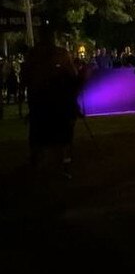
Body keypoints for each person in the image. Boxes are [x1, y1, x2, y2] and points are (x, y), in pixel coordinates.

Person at [20, 26, 80, 177]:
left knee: (39, 133)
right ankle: (62, 166)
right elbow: (73, 75)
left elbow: (25, 77)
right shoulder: (59, 54)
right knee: (62, 134)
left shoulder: (33, 54)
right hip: (55, 101)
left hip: (41, 101)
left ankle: (39, 163)